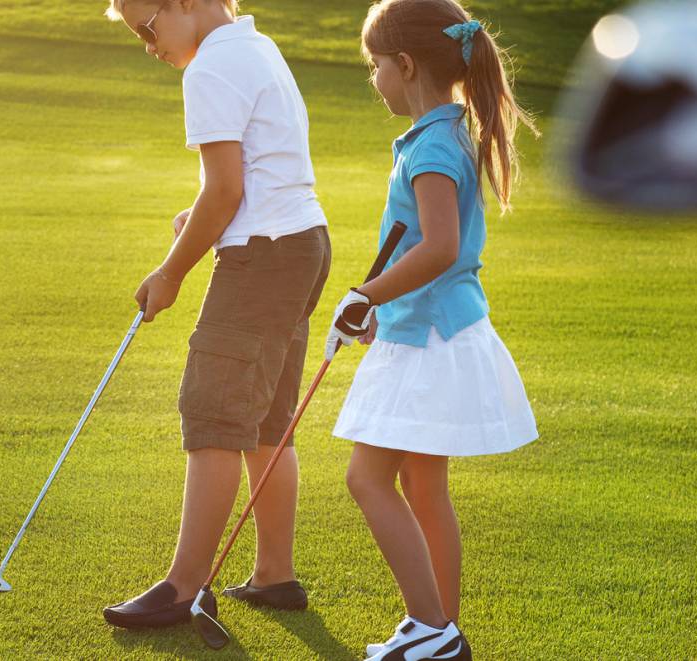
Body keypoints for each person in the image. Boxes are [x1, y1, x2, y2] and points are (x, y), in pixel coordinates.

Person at [99, 0, 333, 629]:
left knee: (213, 416)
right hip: (304, 244)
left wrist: (171, 271)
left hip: (263, 259)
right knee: (265, 424)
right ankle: (274, 576)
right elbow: (248, 179)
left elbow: (225, 189)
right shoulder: (257, 45)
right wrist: (198, 225)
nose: (149, 46)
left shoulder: (205, 71)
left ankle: (182, 587)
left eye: (148, 29)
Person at [326, 1, 539, 658]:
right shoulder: (444, 135)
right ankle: (443, 631)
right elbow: (427, 246)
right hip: (430, 328)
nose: (374, 78)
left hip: (428, 340)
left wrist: (364, 294)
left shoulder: (433, 146)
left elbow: (440, 246)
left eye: (375, 66)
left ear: (406, 65)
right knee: (422, 482)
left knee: (366, 478)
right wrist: (378, 307)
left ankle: (431, 627)